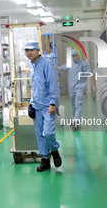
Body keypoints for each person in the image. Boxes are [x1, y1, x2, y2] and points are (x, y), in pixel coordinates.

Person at [24, 40, 62, 172]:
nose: (29, 53)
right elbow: (36, 86)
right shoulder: (31, 64)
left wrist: (52, 103)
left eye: (31, 50)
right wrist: (31, 103)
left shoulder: (47, 64)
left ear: (38, 50)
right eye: (26, 50)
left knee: (48, 133)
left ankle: (55, 149)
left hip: (48, 106)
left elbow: (53, 84)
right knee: (39, 134)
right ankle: (45, 159)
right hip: (37, 105)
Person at [57, 49, 97, 130]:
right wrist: (53, 66)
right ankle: (75, 120)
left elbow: (89, 74)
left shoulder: (83, 64)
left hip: (80, 88)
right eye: (72, 56)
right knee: (73, 106)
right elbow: (61, 68)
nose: (74, 58)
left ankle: (76, 122)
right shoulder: (70, 63)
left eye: (75, 56)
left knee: (78, 104)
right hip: (71, 88)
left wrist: (94, 86)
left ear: (78, 56)